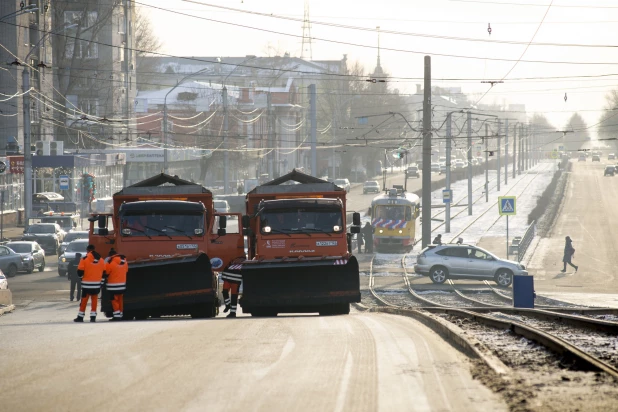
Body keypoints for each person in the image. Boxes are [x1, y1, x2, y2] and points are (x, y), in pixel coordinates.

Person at [74, 245, 105, 323]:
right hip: (96, 284)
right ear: (94, 250)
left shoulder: (84, 259)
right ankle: (93, 317)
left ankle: (80, 317)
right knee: (94, 300)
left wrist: (81, 278)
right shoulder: (101, 260)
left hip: (86, 285)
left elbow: (80, 272)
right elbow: (104, 273)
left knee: (84, 300)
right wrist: (101, 283)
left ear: (87, 250)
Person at [103, 252, 128, 321]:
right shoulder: (124, 262)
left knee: (114, 301)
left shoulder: (110, 262)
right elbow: (126, 271)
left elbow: (106, 273)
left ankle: (116, 316)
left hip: (113, 286)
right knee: (120, 300)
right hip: (122, 285)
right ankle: (120, 314)